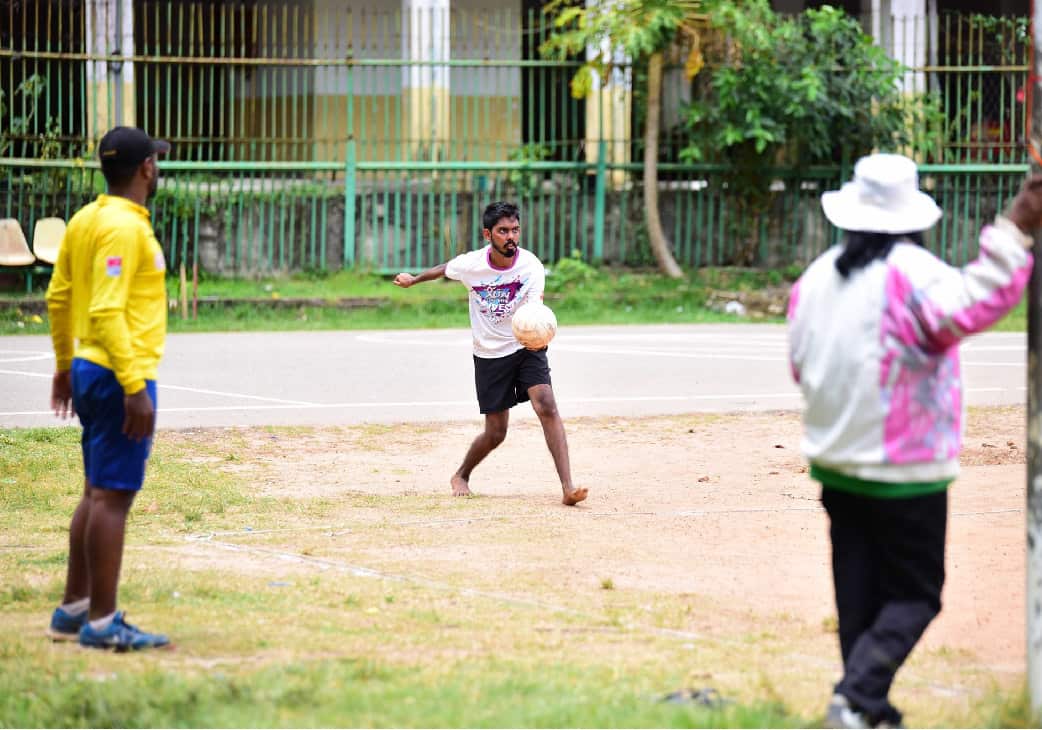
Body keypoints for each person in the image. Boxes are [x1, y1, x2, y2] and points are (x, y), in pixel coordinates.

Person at [787, 153, 1042, 729]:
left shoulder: (817, 278)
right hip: (905, 471)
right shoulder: (914, 273)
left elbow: (801, 366)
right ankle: (856, 699)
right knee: (916, 594)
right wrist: (1016, 225)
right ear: (914, 219)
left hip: (836, 465)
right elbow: (974, 304)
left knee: (857, 592)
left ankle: (866, 708)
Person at [45, 126, 172, 651]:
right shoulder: (125, 229)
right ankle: (101, 621)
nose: (158, 169)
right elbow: (104, 309)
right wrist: (133, 386)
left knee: (96, 493)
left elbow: (59, 296)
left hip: (88, 366)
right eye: (156, 162)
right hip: (121, 375)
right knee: (113, 499)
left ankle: (73, 609)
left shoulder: (85, 219)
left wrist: (62, 364)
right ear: (145, 168)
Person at [393, 201, 588, 506]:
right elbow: (446, 269)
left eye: (515, 230)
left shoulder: (531, 266)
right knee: (496, 433)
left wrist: (538, 333)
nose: (511, 236)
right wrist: (415, 279)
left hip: (525, 346)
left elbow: (535, 311)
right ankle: (462, 474)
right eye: (503, 231)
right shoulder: (471, 264)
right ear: (488, 234)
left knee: (547, 405)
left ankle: (567, 487)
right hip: (489, 354)